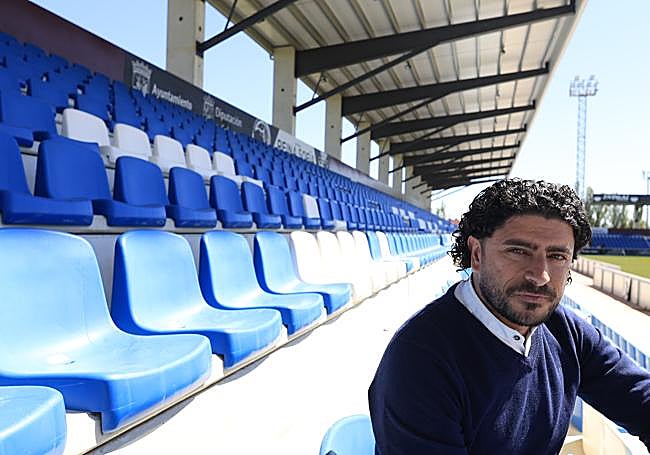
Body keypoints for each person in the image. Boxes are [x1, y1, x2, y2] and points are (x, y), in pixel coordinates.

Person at [368, 179, 650, 454]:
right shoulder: (419, 360)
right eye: (518, 251)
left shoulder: (565, 330)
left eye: (557, 256)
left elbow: (640, 398)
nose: (540, 276)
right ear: (476, 254)